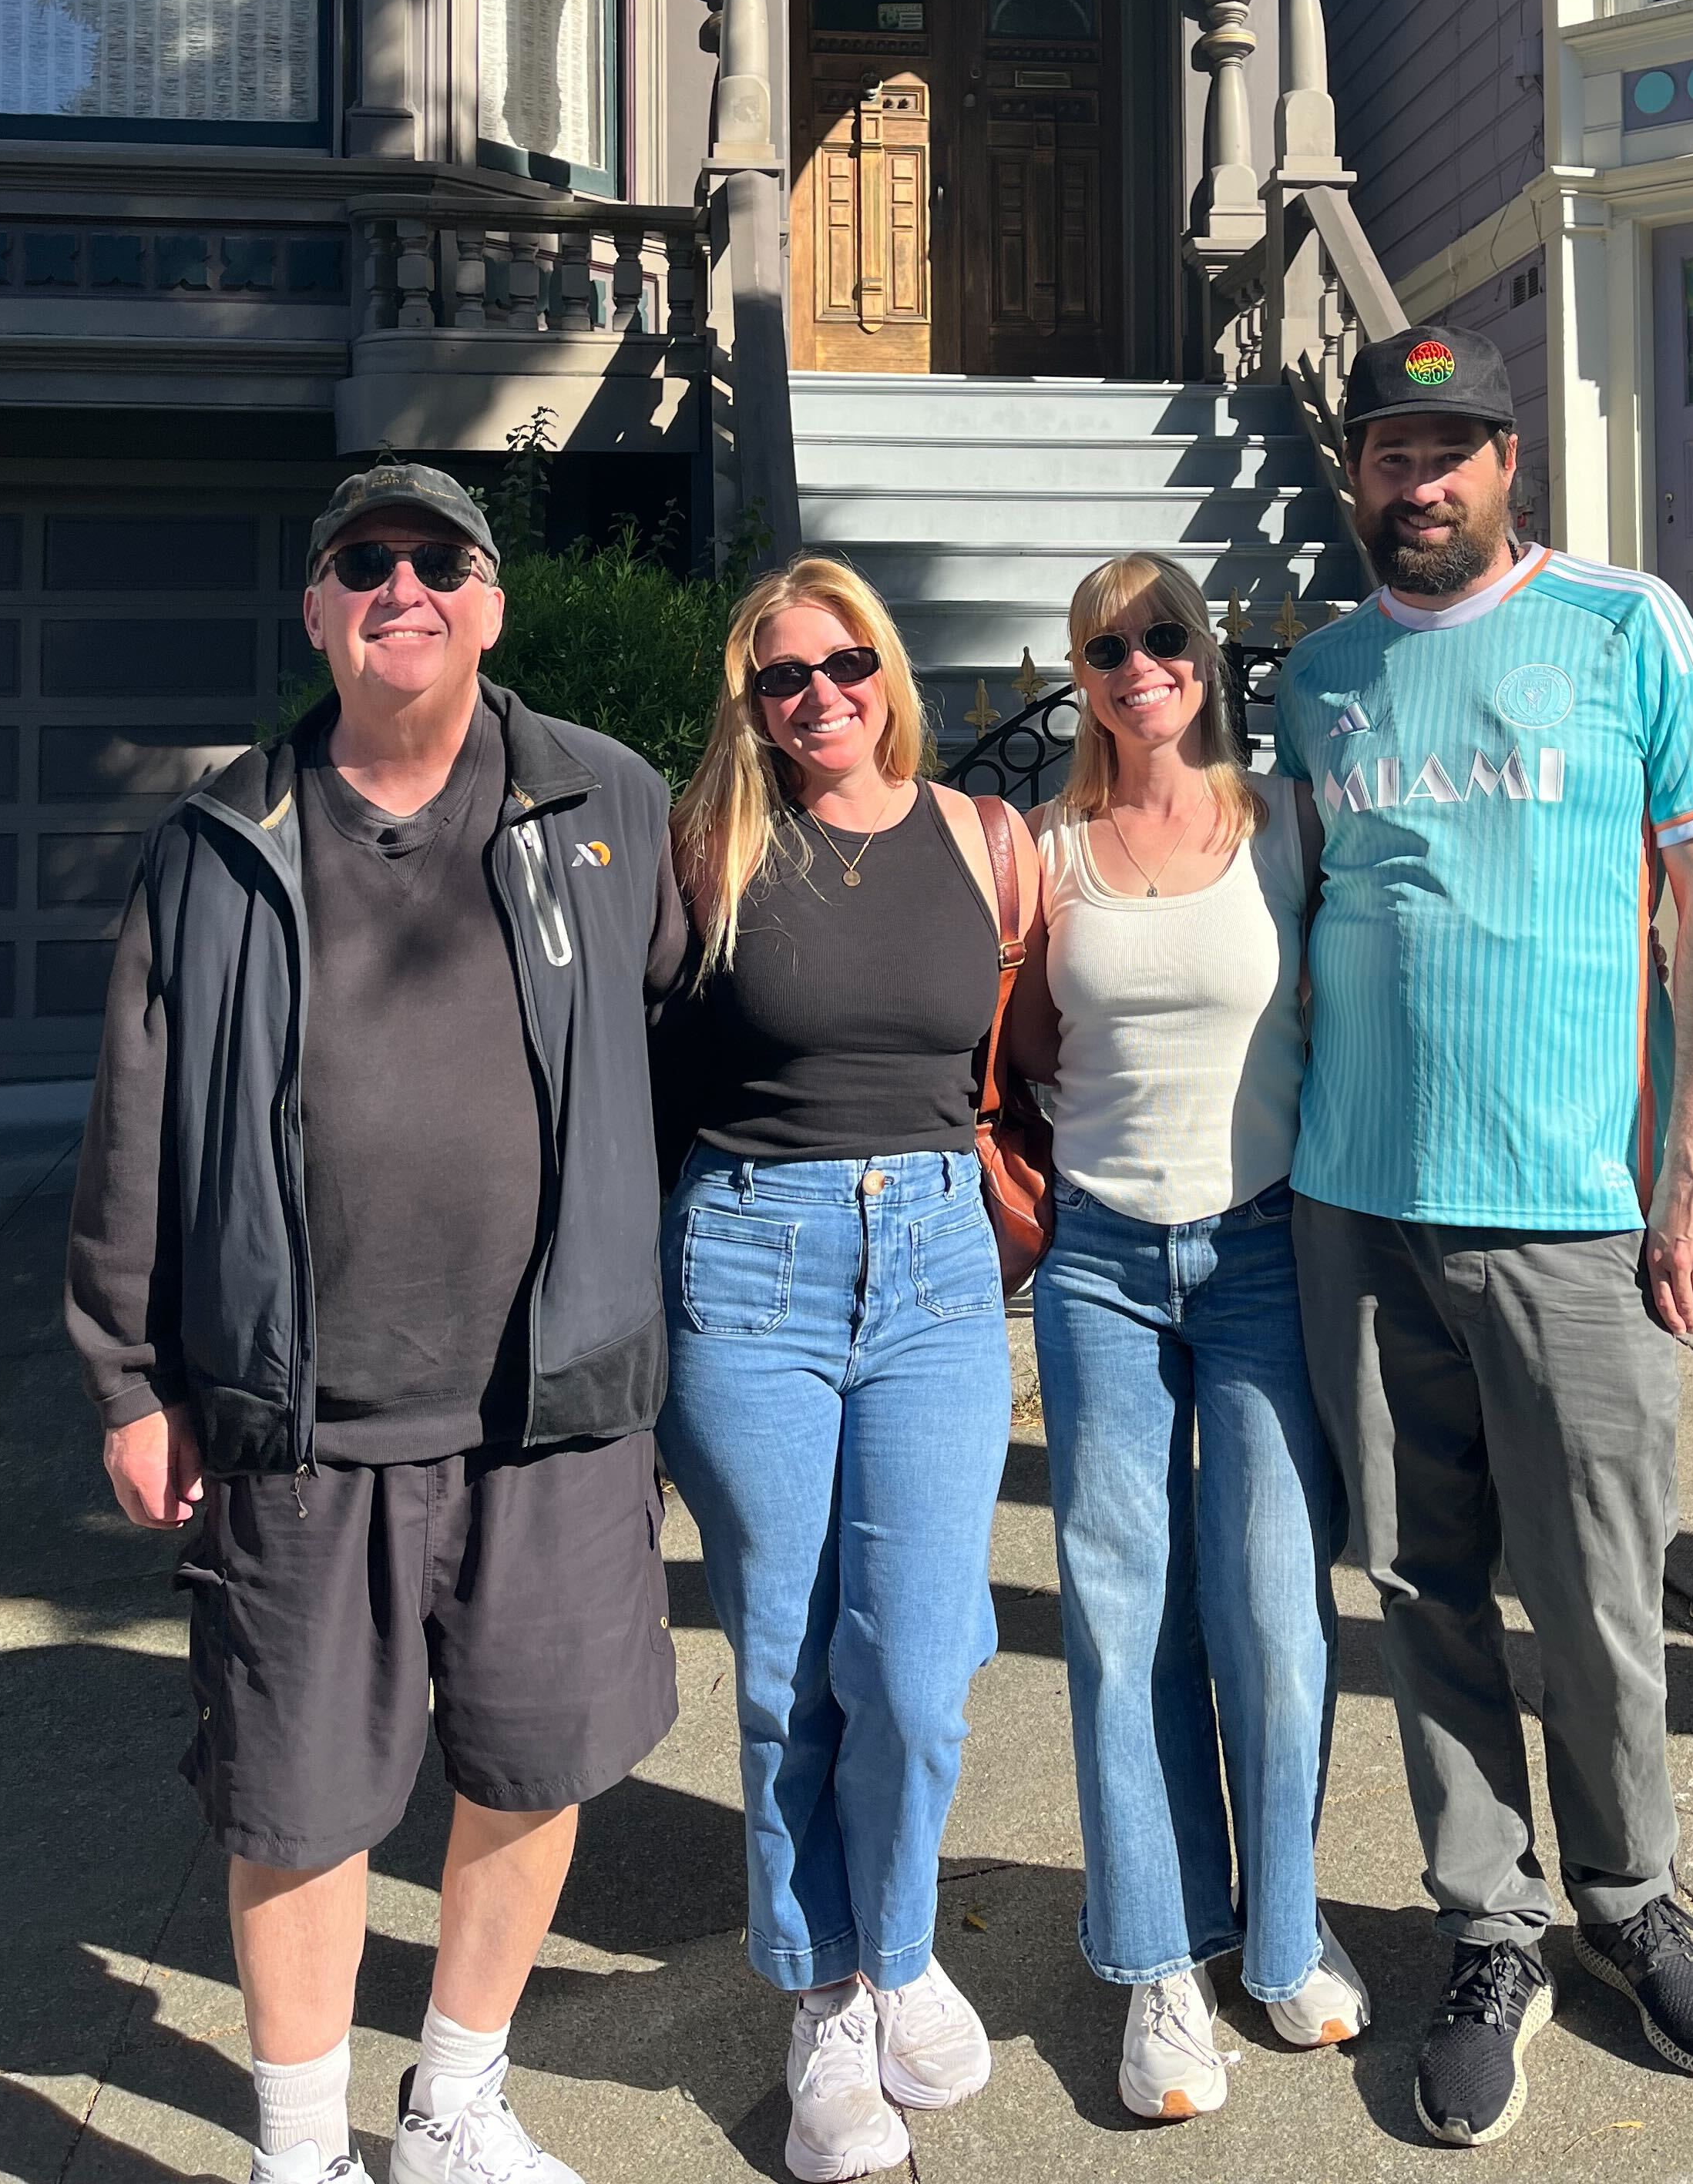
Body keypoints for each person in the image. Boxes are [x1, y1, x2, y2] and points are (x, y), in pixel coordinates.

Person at [66, 461, 686, 2184]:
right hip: (303, 1418)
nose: (400, 587)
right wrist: (131, 1379)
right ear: (320, 610)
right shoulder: (218, 843)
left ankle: (452, 2105)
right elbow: (138, 1115)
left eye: (440, 561)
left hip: (550, 1411)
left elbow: (688, 1034)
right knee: (299, 1801)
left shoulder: (603, 804)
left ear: (491, 603)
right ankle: (294, 2149)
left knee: (535, 1762)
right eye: (364, 563)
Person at [1278, 327, 1693, 2152]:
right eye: (1388, 456)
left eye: (1450, 451)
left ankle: (1629, 1898)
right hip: (1359, 1205)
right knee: (1422, 1588)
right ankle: (1489, 1931)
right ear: (1358, 478)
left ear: (1506, 463)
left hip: (1573, 1213)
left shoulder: (1628, 629)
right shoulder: (1317, 680)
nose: (1418, 484)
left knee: (1600, 1596)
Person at [653, 556, 1036, 2184]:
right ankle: (821, 2001)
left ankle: (900, 1944)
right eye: (781, 678)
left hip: (942, 1267)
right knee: (783, 1664)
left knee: (918, 1661)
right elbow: (646, 1081)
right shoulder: (707, 852)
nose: (820, 697)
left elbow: (1035, 1058)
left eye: (845, 664)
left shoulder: (988, 842)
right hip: (752, 1261)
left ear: (891, 669)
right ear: (749, 705)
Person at [1006, 553, 1362, 2123]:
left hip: (1266, 1252)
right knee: (1121, 1609)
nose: (1140, 662)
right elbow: (1014, 1048)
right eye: (1108, 645)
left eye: (1165, 636)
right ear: (1078, 673)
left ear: (1207, 659)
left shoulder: (1288, 823)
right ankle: (1156, 1954)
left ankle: (1280, 1934)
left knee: (1277, 1614)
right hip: (1095, 1262)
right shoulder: (1042, 851)